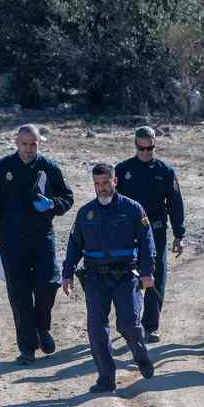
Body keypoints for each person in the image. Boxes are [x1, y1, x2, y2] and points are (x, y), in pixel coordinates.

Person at [62, 164, 156, 393]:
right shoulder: (86, 213)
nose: (101, 188)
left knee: (128, 324)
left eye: (105, 183)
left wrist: (147, 271)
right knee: (96, 328)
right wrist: (67, 273)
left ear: (114, 182)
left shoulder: (132, 209)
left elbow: (146, 241)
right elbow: (74, 245)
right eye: (97, 184)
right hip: (95, 277)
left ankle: (141, 355)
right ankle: (106, 378)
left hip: (126, 275)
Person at [0, 124, 75, 365]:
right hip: (10, 242)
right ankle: (27, 347)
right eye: (24, 144)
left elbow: (67, 198)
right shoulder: (3, 168)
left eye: (33, 144)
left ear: (39, 143)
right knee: (19, 294)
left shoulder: (48, 168)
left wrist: (52, 205)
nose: (28, 149)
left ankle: (42, 327)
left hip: (42, 237)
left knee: (48, 286)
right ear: (16, 143)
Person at [114, 126, 185, 343]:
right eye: (141, 148)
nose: (145, 152)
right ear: (135, 145)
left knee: (155, 276)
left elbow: (175, 204)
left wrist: (179, 234)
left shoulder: (165, 171)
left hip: (156, 230)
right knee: (126, 277)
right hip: (128, 231)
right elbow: (113, 202)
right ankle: (129, 323)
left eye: (150, 148)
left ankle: (150, 326)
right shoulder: (122, 170)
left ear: (155, 145)